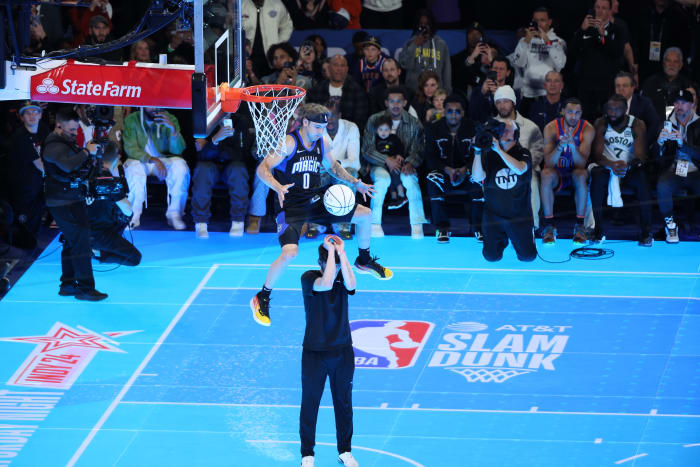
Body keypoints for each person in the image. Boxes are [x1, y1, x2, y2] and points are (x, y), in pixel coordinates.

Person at [250, 104, 392, 327]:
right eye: (317, 126)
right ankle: (263, 296)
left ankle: (363, 260)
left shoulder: (322, 142)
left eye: (323, 127)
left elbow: (333, 166)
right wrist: (277, 186)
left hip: (315, 200)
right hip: (290, 206)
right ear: (304, 122)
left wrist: (356, 183)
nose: (320, 131)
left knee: (365, 214)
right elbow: (262, 168)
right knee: (289, 253)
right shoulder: (289, 143)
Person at [299, 235, 358, 467]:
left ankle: (345, 451)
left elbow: (352, 285)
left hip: (342, 351)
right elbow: (325, 283)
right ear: (319, 261)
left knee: (343, 403)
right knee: (310, 402)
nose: (328, 265)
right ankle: (307, 454)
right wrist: (332, 253)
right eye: (326, 260)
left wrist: (342, 252)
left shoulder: (343, 278)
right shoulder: (309, 278)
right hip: (314, 353)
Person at [41, 108, 107, 301]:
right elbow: (68, 165)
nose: (73, 133)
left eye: (76, 129)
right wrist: (87, 151)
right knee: (81, 243)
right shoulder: (53, 145)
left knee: (72, 242)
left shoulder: (65, 141)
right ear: (59, 125)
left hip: (71, 198)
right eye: (71, 130)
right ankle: (86, 289)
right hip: (62, 202)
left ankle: (68, 285)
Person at [362, 86, 428, 238]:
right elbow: (367, 149)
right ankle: (374, 224)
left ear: (405, 102)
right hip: (378, 165)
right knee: (382, 180)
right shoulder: (374, 120)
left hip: (404, 165)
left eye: (399, 101)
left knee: (410, 181)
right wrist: (386, 160)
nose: (395, 104)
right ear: (386, 103)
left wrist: (410, 162)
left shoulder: (414, 123)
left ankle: (417, 226)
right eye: (392, 101)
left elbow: (419, 148)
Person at [590, 94, 653, 246]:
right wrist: (611, 165)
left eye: (617, 109)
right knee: (596, 177)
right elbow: (597, 156)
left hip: (629, 168)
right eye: (610, 109)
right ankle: (598, 229)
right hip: (607, 167)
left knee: (643, 181)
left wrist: (627, 166)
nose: (612, 112)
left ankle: (646, 232)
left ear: (625, 109)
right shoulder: (601, 123)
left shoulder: (637, 124)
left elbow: (641, 156)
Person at [471, 119, 537, 262]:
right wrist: (477, 151)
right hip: (494, 215)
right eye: (501, 129)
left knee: (528, 257)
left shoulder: (522, 152)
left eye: (507, 129)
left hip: (519, 215)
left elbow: (520, 169)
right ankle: (505, 239)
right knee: (491, 257)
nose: (503, 131)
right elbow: (477, 178)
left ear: (515, 134)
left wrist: (499, 151)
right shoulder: (488, 154)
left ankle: (517, 238)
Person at [424, 94, 482, 243]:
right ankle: (442, 228)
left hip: (467, 172)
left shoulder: (473, 128)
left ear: (463, 112)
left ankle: (479, 227)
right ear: (444, 112)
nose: (454, 115)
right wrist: (446, 169)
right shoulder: (433, 129)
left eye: (457, 111)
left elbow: (481, 154)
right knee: (432, 178)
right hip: (445, 173)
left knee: (480, 178)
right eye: (450, 111)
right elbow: (430, 157)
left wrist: (466, 169)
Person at [122, 107, 190, 230]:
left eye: (157, 104)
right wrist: (153, 159)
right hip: (140, 159)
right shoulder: (132, 119)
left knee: (180, 166)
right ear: (142, 105)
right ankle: (132, 215)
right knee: (133, 168)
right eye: (150, 105)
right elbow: (130, 148)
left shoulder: (170, 118)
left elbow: (178, 150)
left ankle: (175, 214)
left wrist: (173, 130)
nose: (154, 108)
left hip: (164, 159)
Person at [540, 98, 595, 245]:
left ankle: (580, 226)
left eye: (577, 113)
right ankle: (549, 226)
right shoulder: (551, 128)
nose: (573, 116)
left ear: (581, 113)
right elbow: (549, 163)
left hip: (575, 172)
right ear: (562, 111)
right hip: (557, 173)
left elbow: (581, 163)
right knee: (545, 174)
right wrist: (560, 147)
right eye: (570, 112)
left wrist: (572, 146)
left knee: (581, 174)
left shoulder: (587, 128)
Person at [306, 98, 362, 240]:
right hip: (321, 172)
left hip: (341, 171)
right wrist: (327, 166)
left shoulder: (351, 128)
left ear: (340, 115)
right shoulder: (315, 130)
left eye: (332, 115)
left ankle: (342, 225)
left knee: (351, 173)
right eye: (325, 117)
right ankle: (316, 224)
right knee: (309, 174)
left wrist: (333, 165)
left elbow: (355, 162)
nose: (328, 120)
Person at [192, 115, 255, 239]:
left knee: (238, 170)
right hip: (211, 166)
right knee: (202, 169)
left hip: (232, 165)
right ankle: (201, 221)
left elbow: (242, 155)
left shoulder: (242, 122)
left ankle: (238, 220)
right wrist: (215, 140)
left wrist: (214, 145)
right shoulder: (205, 120)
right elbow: (201, 156)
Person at [493, 85, 544, 230]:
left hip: (525, 169)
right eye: (499, 102)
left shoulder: (530, 126)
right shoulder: (490, 126)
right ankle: (494, 227)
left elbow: (537, 152)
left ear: (513, 103)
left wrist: (520, 167)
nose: (502, 105)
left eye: (506, 101)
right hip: (498, 171)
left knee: (532, 180)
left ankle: (532, 226)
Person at [570, 0, 627, 121]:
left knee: (608, 120)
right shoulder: (585, 28)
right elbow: (573, 52)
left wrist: (603, 34)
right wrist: (581, 31)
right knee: (586, 120)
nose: (600, 11)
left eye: (604, 8)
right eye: (597, 7)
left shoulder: (617, 29)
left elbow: (617, 53)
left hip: (607, 86)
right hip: (586, 85)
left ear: (610, 11)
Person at [656, 89, 700, 243]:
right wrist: (659, 144)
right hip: (674, 170)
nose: (679, 106)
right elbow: (653, 156)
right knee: (663, 185)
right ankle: (671, 226)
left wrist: (683, 144)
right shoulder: (666, 122)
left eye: (683, 102)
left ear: (692, 105)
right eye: (676, 102)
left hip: (696, 171)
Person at [87, 142, 141, 266]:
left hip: (81, 230)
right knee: (135, 258)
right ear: (117, 158)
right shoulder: (109, 182)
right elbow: (127, 210)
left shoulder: (86, 175)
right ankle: (97, 253)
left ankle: (94, 248)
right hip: (101, 234)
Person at [7, 101, 49, 249]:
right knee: (24, 223)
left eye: (35, 112)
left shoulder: (43, 130)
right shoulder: (20, 136)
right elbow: (39, 165)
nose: (32, 116)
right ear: (22, 117)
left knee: (37, 217)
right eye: (28, 113)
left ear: (40, 114)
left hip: (38, 184)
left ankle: (32, 243)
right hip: (23, 187)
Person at [509, 7, 567, 111]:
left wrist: (547, 42)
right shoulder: (524, 41)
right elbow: (519, 63)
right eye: (536, 21)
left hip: (549, 96)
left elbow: (561, 64)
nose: (539, 24)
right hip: (528, 95)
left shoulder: (558, 41)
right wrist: (526, 41)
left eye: (542, 20)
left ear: (550, 22)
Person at [307, 55, 368, 130]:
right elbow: (310, 116)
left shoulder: (358, 91)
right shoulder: (316, 90)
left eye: (342, 66)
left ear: (347, 69)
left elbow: (360, 121)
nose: (339, 69)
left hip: (348, 135)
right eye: (335, 65)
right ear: (329, 68)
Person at [398, 9, 451, 93]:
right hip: (414, 91)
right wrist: (414, 45)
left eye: (426, 24)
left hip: (436, 93)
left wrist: (447, 91)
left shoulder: (441, 44)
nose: (423, 27)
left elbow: (447, 71)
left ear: (431, 25)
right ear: (417, 25)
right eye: (421, 24)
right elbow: (405, 65)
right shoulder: (410, 43)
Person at [242, 0, 294, 78]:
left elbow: (287, 25)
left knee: (271, 86)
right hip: (248, 58)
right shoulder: (241, 4)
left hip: (271, 59)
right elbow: (232, 29)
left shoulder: (276, 3)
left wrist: (278, 45)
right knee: (250, 87)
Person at [641, 47, 694, 121]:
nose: (671, 65)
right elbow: (643, 108)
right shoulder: (650, 83)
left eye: (675, 61)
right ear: (663, 63)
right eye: (668, 61)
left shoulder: (687, 85)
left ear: (681, 65)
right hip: (654, 125)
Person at [614, 71, 661, 151]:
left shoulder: (644, 103)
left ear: (632, 88)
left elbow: (655, 124)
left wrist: (642, 144)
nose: (620, 89)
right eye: (618, 86)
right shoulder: (609, 104)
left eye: (624, 86)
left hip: (637, 148)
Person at [374, 115, 407, 211]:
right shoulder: (376, 139)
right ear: (376, 130)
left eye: (386, 130)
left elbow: (400, 147)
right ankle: (393, 196)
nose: (383, 132)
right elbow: (372, 153)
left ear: (390, 129)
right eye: (381, 130)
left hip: (394, 160)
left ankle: (401, 192)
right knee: (387, 177)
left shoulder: (394, 138)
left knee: (395, 172)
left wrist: (399, 154)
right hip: (382, 163)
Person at [469, 56, 516, 123]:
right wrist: (482, 94)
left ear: (508, 72)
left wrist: (499, 95)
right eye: (495, 68)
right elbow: (472, 115)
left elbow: (511, 117)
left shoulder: (513, 94)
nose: (498, 71)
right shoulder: (477, 91)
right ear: (490, 70)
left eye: (501, 69)